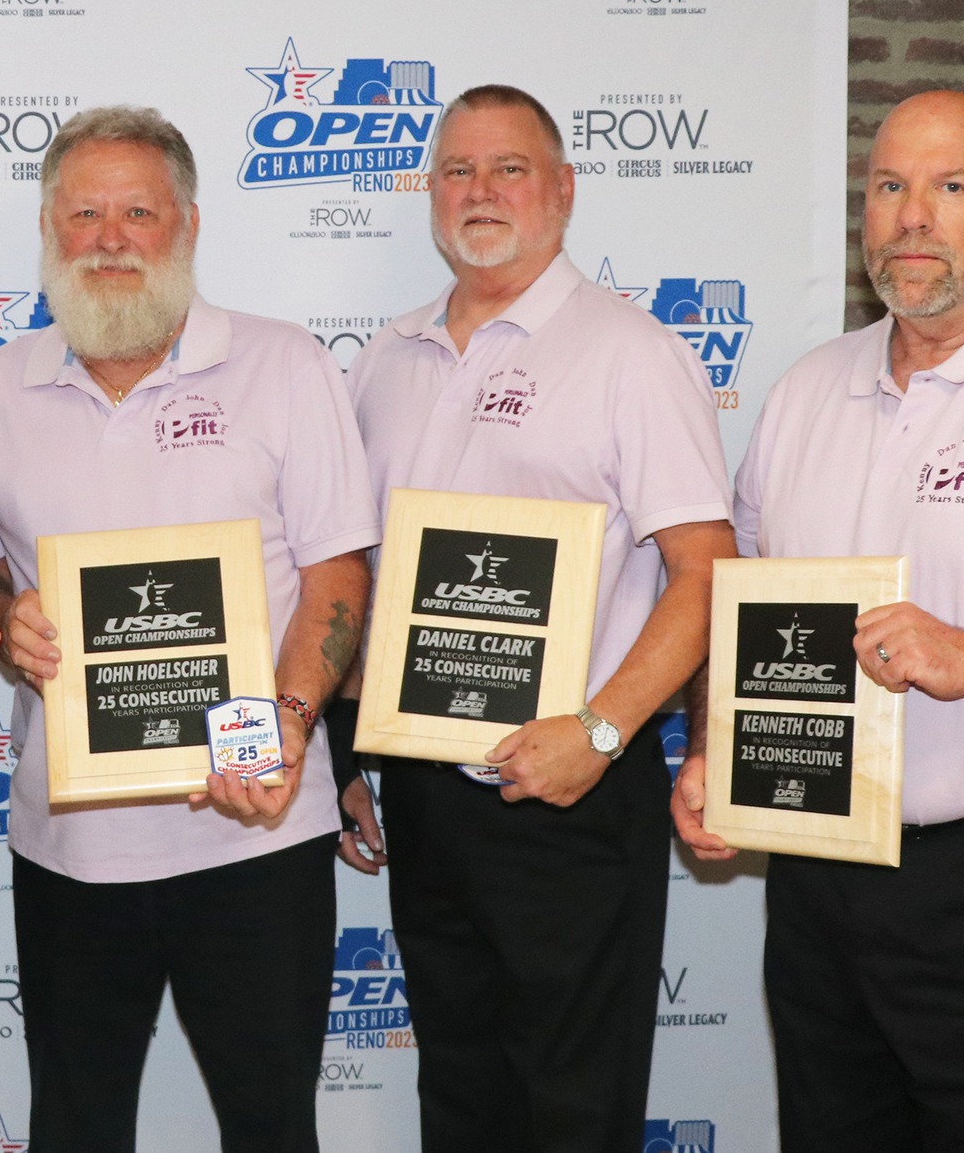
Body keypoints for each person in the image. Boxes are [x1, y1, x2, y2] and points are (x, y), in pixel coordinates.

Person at [674, 90, 964, 1152]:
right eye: (886, 187)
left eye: (947, 187)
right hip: (822, 887)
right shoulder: (804, 393)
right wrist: (714, 750)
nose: (910, 216)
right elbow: (742, 608)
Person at [0, 105, 378, 1153]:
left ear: (184, 225)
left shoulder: (282, 365)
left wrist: (281, 721)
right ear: (48, 230)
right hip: (71, 849)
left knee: (271, 1126)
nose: (108, 236)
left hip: (255, 828)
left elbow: (336, 571)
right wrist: (10, 620)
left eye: (136, 210)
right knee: (76, 1127)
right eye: (82, 212)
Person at [342, 84, 735, 1151]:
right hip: (426, 793)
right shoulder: (383, 360)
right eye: (457, 171)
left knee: (571, 1108)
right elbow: (354, 580)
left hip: (571, 794)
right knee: (460, 1100)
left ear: (561, 189)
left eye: (507, 168)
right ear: (427, 192)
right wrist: (340, 746)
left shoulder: (627, 354)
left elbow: (705, 573)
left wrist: (600, 732)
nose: (479, 191)